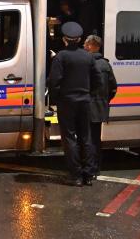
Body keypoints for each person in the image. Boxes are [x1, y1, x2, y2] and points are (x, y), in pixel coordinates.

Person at [48, 21, 99, 186]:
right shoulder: (88, 57)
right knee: (86, 136)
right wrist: (88, 93)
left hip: (67, 102)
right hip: (84, 101)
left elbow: (54, 81)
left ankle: (75, 175)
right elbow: (97, 80)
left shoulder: (61, 57)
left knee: (69, 137)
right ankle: (89, 174)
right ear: (79, 39)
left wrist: (55, 99)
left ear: (64, 39)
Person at [84, 35, 117, 176]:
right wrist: (104, 101)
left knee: (87, 140)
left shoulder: (87, 63)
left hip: (87, 107)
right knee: (96, 139)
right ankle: (96, 168)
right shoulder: (106, 65)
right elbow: (113, 87)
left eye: (86, 44)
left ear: (92, 46)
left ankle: (89, 169)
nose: (84, 46)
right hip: (100, 107)